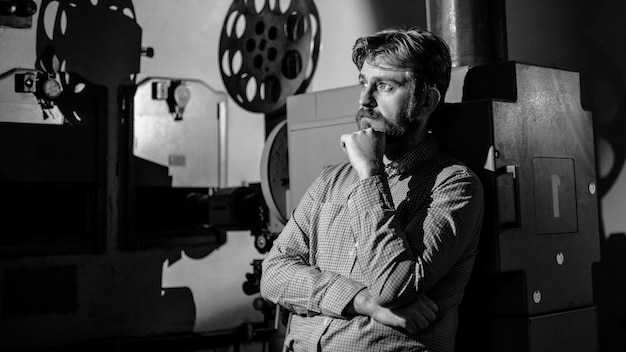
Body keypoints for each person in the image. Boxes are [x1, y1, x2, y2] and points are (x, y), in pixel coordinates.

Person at [260, 27, 484, 352]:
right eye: (364, 82)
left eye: (384, 86)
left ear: (426, 101)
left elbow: (395, 286)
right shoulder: (330, 181)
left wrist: (370, 174)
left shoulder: (455, 186)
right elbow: (274, 274)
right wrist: (363, 301)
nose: (364, 100)